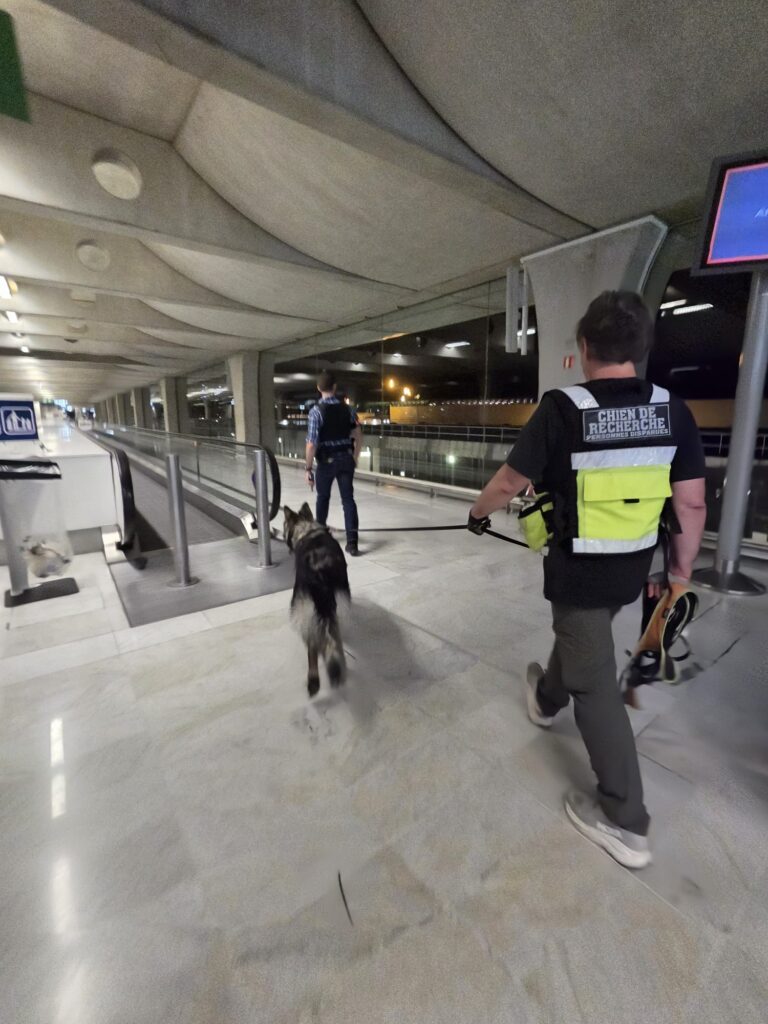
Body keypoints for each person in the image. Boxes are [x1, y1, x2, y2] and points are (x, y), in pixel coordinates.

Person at [468, 291, 706, 868]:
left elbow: (508, 482)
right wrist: (679, 574)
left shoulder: (561, 408)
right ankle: (545, 698)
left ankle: (626, 822)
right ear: (641, 349)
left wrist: (477, 514)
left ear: (582, 348)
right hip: (631, 570)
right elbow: (693, 505)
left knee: (595, 685)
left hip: (577, 573)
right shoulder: (672, 410)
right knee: (586, 641)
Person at [305, 370, 363, 556]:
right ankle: (352, 543)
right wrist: (355, 457)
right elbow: (358, 435)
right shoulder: (348, 409)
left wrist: (308, 468)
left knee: (323, 498)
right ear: (335, 387)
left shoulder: (316, 412)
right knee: (348, 500)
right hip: (346, 459)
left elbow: (312, 443)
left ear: (318, 388)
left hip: (326, 462)